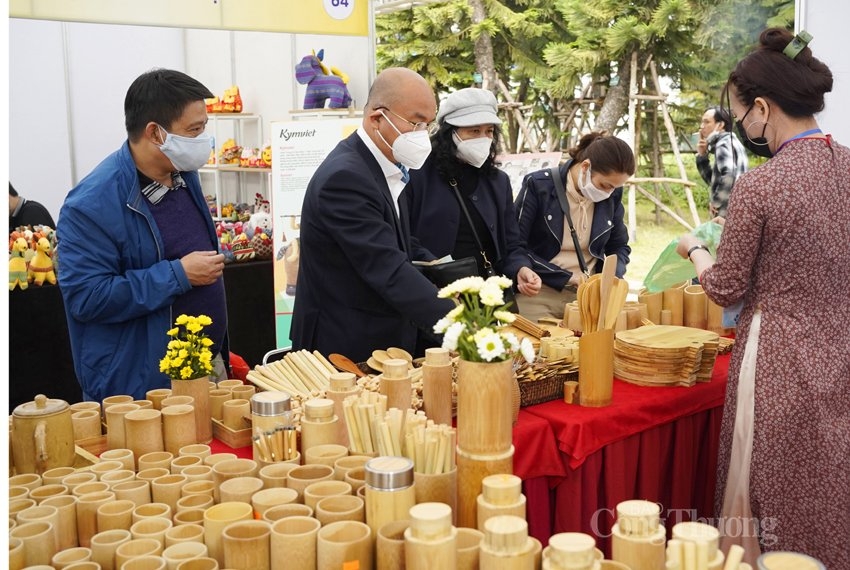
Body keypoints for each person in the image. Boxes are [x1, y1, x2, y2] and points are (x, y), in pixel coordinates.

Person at [677, 28, 849, 568]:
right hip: (841, 343)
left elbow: (726, 287)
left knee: (767, 478)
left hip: (776, 353)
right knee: (829, 475)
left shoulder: (762, 184)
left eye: (741, 112)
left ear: (762, 108)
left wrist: (694, 249)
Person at [57, 69, 229, 402]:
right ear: (155, 133)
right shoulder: (91, 204)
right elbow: (87, 297)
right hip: (140, 383)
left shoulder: (182, 174)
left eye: (204, 128)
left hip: (204, 364)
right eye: (194, 130)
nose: (203, 141)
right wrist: (178, 275)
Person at [290, 67, 454, 363]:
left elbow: (393, 240)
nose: (423, 136)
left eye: (428, 126)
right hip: (344, 346)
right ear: (377, 118)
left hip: (380, 337)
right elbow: (387, 267)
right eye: (415, 123)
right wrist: (459, 326)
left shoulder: (386, 165)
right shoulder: (345, 177)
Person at [404, 87, 541, 309]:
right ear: (449, 133)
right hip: (436, 295)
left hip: (488, 299)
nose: (483, 139)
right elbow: (405, 237)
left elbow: (511, 245)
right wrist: (438, 267)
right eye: (473, 131)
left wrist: (521, 268)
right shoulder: (416, 174)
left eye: (489, 131)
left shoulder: (498, 181)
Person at [514, 132, 634, 322]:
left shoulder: (611, 195)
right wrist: (565, 277)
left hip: (592, 296)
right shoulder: (539, 186)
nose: (609, 192)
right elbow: (515, 246)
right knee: (541, 348)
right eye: (605, 185)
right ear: (585, 166)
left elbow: (619, 247)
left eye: (614, 188)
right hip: (540, 290)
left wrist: (612, 277)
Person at [696, 106, 748, 217]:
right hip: (737, 210)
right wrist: (702, 156)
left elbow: (729, 175)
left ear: (720, 125)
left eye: (707, 122)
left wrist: (716, 202)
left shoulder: (723, 144)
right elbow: (713, 181)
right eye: (702, 122)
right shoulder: (732, 141)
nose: (702, 127)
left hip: (726, 213)